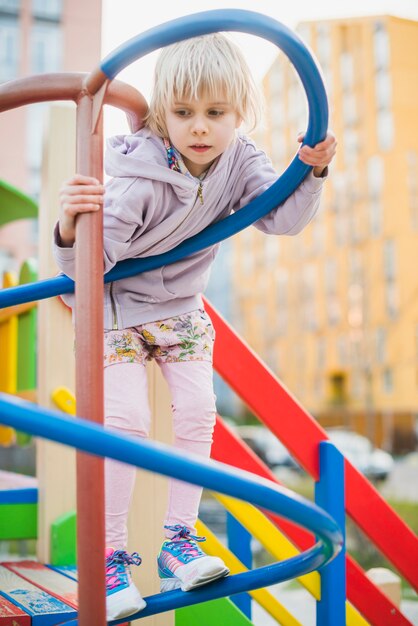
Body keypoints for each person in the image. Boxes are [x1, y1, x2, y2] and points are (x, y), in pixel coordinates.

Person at [54, 33, 337, 621]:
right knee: (126, 423)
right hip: (116, 308)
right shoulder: (136, 174)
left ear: (240, 114)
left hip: (180, 309)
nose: (200, 128)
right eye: (183, 113)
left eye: (215, 114)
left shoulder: (242, 159)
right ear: (163, 112)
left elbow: (279, 220)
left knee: (199, 412)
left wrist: (311, 172)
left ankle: (179, 539)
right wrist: (69, 226)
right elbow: (90, 264)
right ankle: (106, 559)